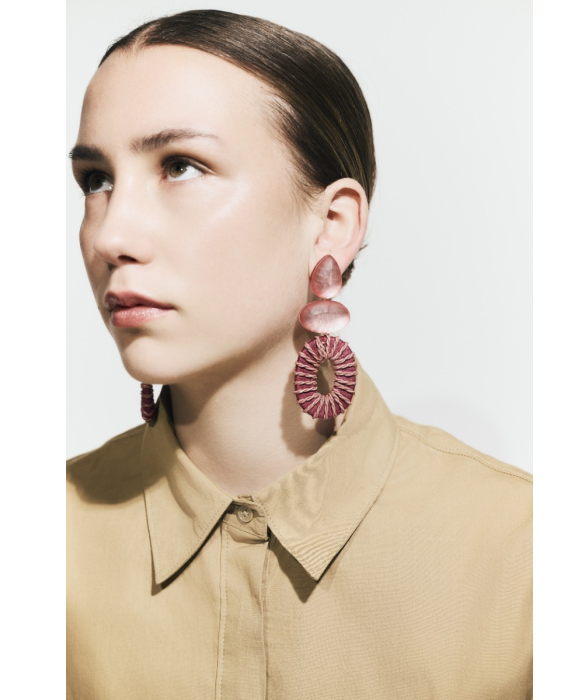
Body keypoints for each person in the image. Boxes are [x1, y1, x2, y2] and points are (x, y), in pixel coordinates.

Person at [67, 9, 532, 699]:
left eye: (180, 166)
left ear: (332, 223)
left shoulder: (527, 555)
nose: (111, 236)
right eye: (96, 180)